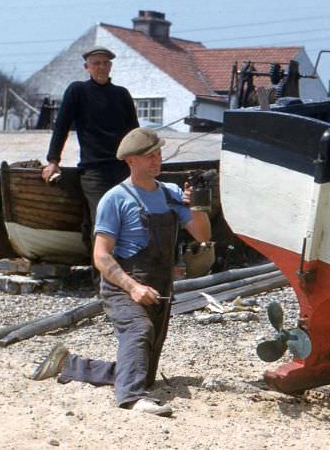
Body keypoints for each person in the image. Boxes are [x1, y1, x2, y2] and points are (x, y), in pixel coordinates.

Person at [30, 127, 211, 417]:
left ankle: (68, 364)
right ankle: (132, 399)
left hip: (159, 289)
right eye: (148, 156)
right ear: (130, 161)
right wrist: (132, 287)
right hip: (122, 287)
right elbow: (101, 256)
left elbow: (202, 235)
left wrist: (198, 204)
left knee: (142, 370)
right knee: (140, 331)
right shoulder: (115, 199)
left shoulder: (172, 194)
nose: (156, 161)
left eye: (158, 154)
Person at [42, 45, 139, 230]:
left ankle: (123, 258)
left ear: (110, 66)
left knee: (129, 218)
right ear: (87, 67)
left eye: (105, 63)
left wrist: (141, 162)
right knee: (104, 220)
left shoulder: (121, 94)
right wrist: (53, 161)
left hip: (123, 168)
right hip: (94, 171)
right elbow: (61, 127)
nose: (101, 67)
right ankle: (101, 259)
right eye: (96, 63)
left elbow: (135, 134)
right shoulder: (78, 91)